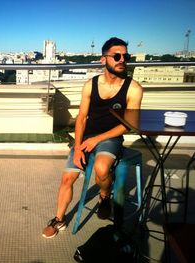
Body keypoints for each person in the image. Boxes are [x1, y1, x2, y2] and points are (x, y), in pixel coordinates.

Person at [42, 37, 143, 238]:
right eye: (116, 56)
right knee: (67, 178)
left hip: (110, 137)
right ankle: (59, 219)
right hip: (86, 137)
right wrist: (78, 147)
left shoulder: (134, 88)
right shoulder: (91, 85)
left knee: (101, 168)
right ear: (103, 59)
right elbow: (81, 118)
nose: (122, 59)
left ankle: (104, 196)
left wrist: (96, 140)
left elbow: (128, 125)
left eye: (125, 56)